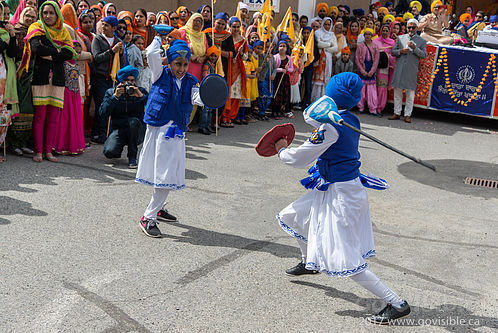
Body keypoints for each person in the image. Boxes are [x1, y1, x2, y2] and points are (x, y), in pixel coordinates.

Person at [274, 72, 411, 325]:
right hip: (335, 189)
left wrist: (281, 149)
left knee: (344, 257)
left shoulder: (331, 127)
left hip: (340, 196)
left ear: (331, 95)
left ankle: (397, 303)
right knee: (291, 217)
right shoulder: (349, 120)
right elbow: (310, 116)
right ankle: (309, 263)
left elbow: (298, 158)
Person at [136, 38, 202, 237]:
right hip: (159, 131)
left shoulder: (191, 82)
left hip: (176, 132)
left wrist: (211, 94)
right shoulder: (159, 74)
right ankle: (148, 217)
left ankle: (160, 207)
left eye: (184, 64)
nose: (181, 68)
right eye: (177, 64)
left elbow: (198, 98)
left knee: (169, 171)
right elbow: (151, 54)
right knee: (164, 173)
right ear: (169, 62)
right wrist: (157, 37)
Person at [18, 1, 76, 163]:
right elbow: (37, 48)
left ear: (57, 14)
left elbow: (69, 53)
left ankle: (48, 151)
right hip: (40, 78)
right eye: (45, 13)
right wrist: (58, 51)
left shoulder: (63, 31)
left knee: (53, 117)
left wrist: (53, 53)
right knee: (40, 116)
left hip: (58, 79)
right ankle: (38, 151)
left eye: (51, 13)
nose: (48, 16)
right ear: (41, 14)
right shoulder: (36, 28)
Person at [100, 65, 147, 168]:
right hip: (119, 129)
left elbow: (152, 109)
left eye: (132, 80)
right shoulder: (111, 92)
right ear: (120, 82)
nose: (129, 83)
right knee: (110, 152)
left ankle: (132, 156)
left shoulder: (140, 91)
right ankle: (119, 146)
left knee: (133, 122)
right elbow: (102, 113)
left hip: (136, 129)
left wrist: (141, 97)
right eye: (126, 80)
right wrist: (114, 97)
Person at [90, 15, 125, 144]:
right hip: (99, 77)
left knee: (110, 105)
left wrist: (120, 53)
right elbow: (97, 57)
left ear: (114, 28)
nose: (103, 27)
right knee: (101, 104)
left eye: (106, 25)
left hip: (112, 78)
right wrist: (112, 51)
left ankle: (105, 132)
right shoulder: (97, 39)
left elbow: (121, 63)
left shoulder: (117, 41)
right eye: (102, 24)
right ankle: (97, 133)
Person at [8, 5, 36, 156]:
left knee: (28, 109)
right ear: (21, 16)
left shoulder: (36, 32)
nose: (30, 19)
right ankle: (14, 143)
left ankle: (24, 142)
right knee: (16, 108)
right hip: (18, 74)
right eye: (27, 16)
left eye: (33, 17)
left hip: (31, 75)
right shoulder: (16, 30)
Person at [389, 19, 426, 123]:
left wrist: (415, 48)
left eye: (413, 27)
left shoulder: (421, 41)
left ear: (417, 28)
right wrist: (400, 51)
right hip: (400, 69)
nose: (410, 29)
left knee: (410, 94)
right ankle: (397, 113)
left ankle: (407, 115)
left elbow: (423, 55)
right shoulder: (400, 38)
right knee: (397, 92)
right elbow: (392, 52)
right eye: (409, 27)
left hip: (411, 70)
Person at [219, 16, 247, 127]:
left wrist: (241, 54)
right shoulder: (225, 37)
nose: (235, 29)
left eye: (237, 27)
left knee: (236, 95)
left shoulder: (243, 40)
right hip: (226, 68)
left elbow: (246, 57)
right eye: (233, 26)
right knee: (227, 94)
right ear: (229, 27)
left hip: (238, 70)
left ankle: (231, 117)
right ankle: (223, 117)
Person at [311, 17, 337, 102]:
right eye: (325, 24)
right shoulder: (318, 33)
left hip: (328, 59)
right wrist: (329, 44)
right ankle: (315, 99)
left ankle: (324, 99)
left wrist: (325, 48)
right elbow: (318, 44)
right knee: (318, 80)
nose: (327, 26)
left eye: (329, 24)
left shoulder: (332, 35)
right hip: (319, 59)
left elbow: (335, 48)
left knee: (326, 78)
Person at [356, 28, 380, 116]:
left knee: (371, 91)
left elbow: (376, 60)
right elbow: (357, 60)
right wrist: (362, 71)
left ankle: (373, 109)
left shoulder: (375, 47)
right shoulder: (360, 46)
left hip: (371, 70)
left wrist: (372, 71)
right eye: (366, 34)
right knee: (361, 90)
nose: (367, 36)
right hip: (363, 69)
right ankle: (360, 107)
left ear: (372, 36)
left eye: (369, 34)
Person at [373, 24, 396, 115]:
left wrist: (386, 56)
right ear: (380, 31)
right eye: (383, 30)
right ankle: (372, 106)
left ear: (389, 32)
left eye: (387, 31)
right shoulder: (375, 41)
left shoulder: (392, 42)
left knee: (382, 88)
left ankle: (379, 107)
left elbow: (394, 56)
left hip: (384, 69)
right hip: (374, 68)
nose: (385, 32)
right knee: (373, 87)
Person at [198, 45, 219, 134]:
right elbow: (206, 77)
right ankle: (202, 126)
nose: (213, 58)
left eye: (215, 56)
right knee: (205, 109)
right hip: (206, 89)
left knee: (210, 109)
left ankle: (207, 125)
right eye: (211, 55)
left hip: (211, 89)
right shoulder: (207, 65)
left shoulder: (214, 65)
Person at [271, 40, 293, 119]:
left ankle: (280, 110)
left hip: (285, 79)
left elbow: (291, 69)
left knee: (284, 95)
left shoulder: (288, 58)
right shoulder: (275, 57)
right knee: (276, 94)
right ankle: (274, 112)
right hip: (277, 78)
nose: (282, 48)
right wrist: (281, 70)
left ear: (287, 48)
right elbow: (273, 68)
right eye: (280, 46)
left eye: (284, 46)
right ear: (278, 47)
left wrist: (287, 69)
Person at [254, 40, 275, 121]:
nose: (268, 48)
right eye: (267, 47)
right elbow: (262, 66)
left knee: (269, 95)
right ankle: (261, 112)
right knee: (262, 95)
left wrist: (273, 74)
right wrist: (267, 60)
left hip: (269, 79)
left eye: (270, 47)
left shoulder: (272, 57)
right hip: (263, 78)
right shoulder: (261, 56)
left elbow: (275, 68)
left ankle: (265, 110)